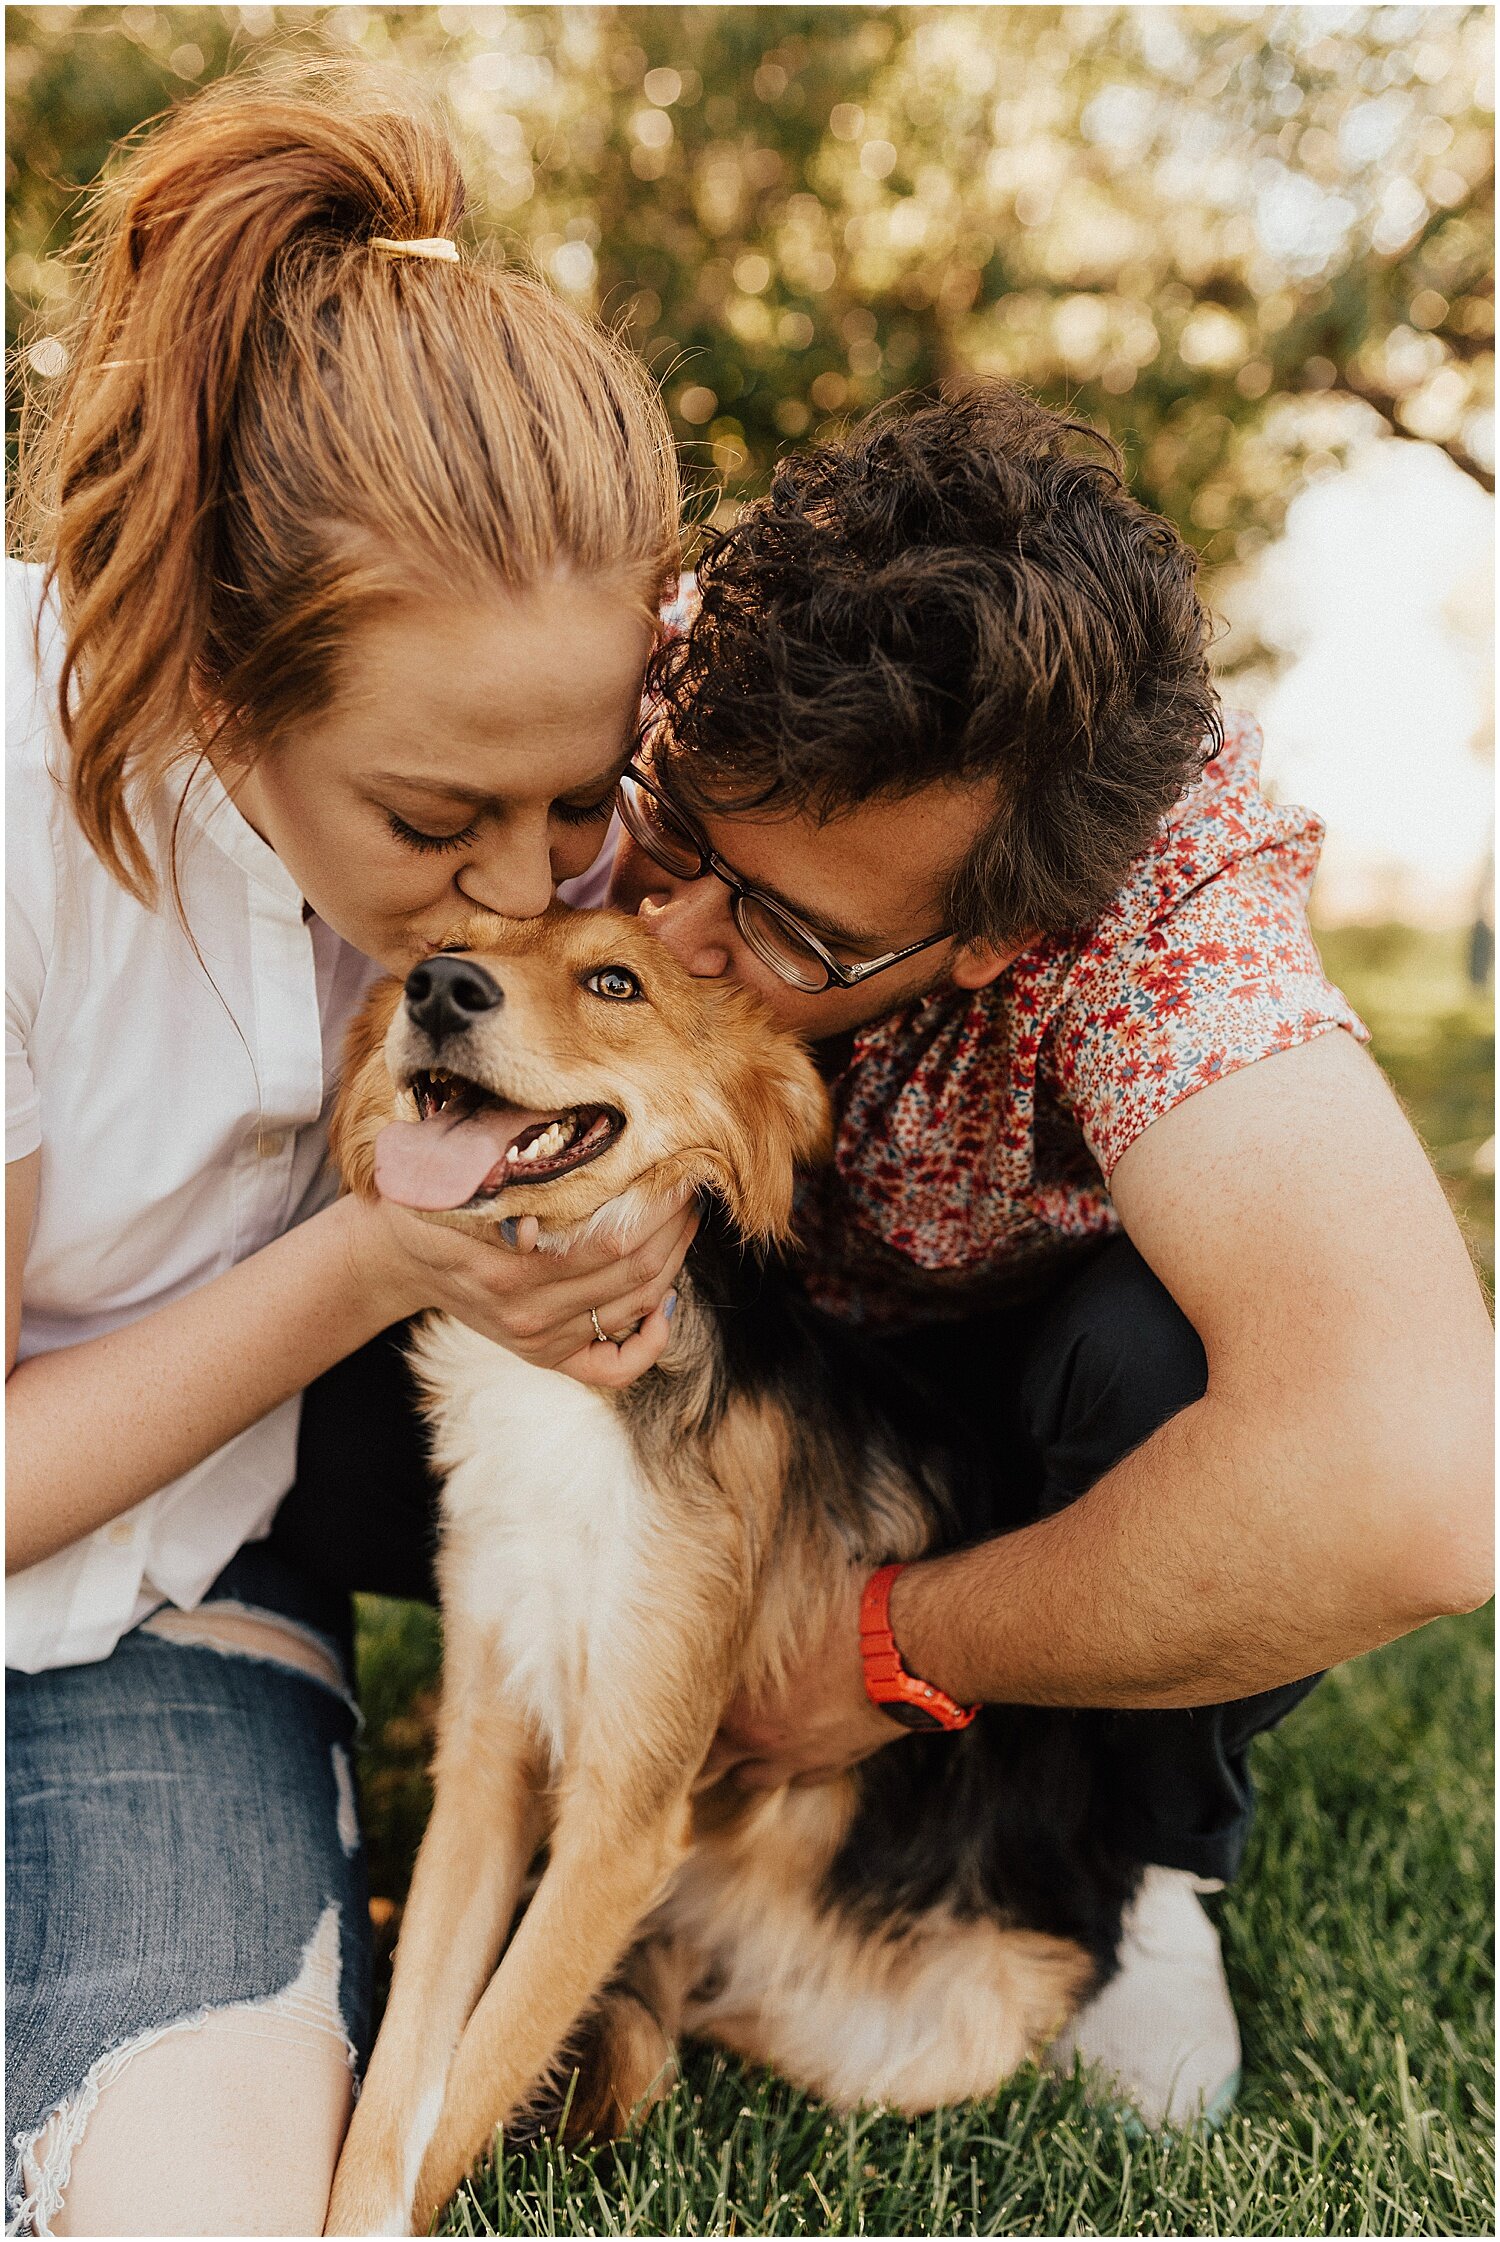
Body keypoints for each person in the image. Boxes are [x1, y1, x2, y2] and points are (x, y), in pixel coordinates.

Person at [279, 384, 1492, 2138]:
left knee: (1166, 1368)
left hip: (960, 1430)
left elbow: (1420, 1480)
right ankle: (337, 1717)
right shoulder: (664, 661)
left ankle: (1147, 1856)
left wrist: (884, 1643)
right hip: (618, 1327)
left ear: (1003, 931)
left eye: (777, 922)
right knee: (296, 1356)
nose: (681, 936)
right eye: (676, 826)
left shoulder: (1157, 894)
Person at [4, 62, 695, 2238]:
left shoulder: (546, 757)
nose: (520, 893)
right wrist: (382, 1263)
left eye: (570, 803)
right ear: (220, 682)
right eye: (434, 821)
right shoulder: (29, 817)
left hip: (177, 1606)